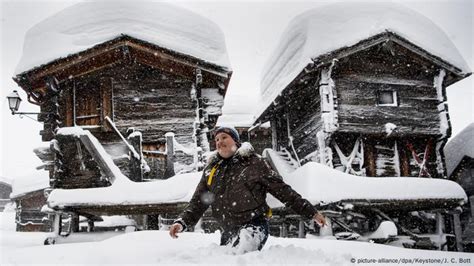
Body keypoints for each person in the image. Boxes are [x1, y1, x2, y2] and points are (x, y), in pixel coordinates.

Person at [169, 126, 326, 253]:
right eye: (216, 139)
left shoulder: (254, 163)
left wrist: (310, 212)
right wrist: (182, 222)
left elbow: (283, 190)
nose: (219, 141)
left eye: (224, 137)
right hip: (228, 230)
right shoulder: (212, 170)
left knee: (242, 257)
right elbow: (198, 201)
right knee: (225, 260)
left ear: (236, 142)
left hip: (254, 225)